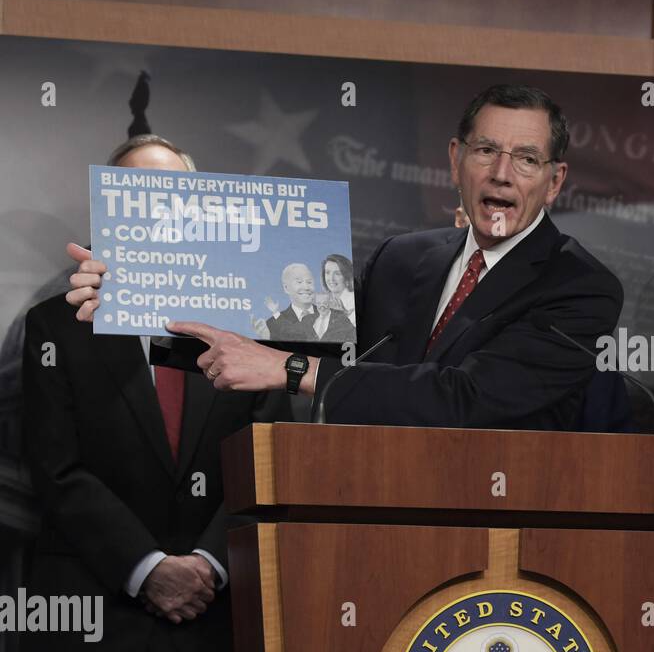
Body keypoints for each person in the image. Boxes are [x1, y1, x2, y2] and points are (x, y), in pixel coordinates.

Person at [66, 84, 623, 430]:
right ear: (456, 160)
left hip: (496, 537)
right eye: (485, 151)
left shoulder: (580, 287)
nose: (502, 173)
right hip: (365, 519)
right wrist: (135, 301)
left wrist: (289, 371)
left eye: (526, 159)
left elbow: (464, 399)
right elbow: (283, 336)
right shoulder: (403, 259)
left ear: (554, 182)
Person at [11, 133, 290, 652]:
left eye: (173, 196)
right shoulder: (56, 326)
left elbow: (271, 458)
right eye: (136, 197)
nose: (156, 209)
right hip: (80, 633)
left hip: (208, 637)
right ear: (109, 216)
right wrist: (148, 569)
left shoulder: (252, 332)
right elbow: (54, 469)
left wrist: (207, 565)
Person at [264, 263, 325, 341]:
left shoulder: (331, 316)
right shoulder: (273, 323)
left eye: (309, 282)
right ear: (286, 288)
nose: (306, 287)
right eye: (299, 282)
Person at [318, 253, 357, 343]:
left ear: (346, 276)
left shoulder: (354, 302)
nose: (331, 278)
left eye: (337, 273)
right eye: (327, 273)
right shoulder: (324, 302)